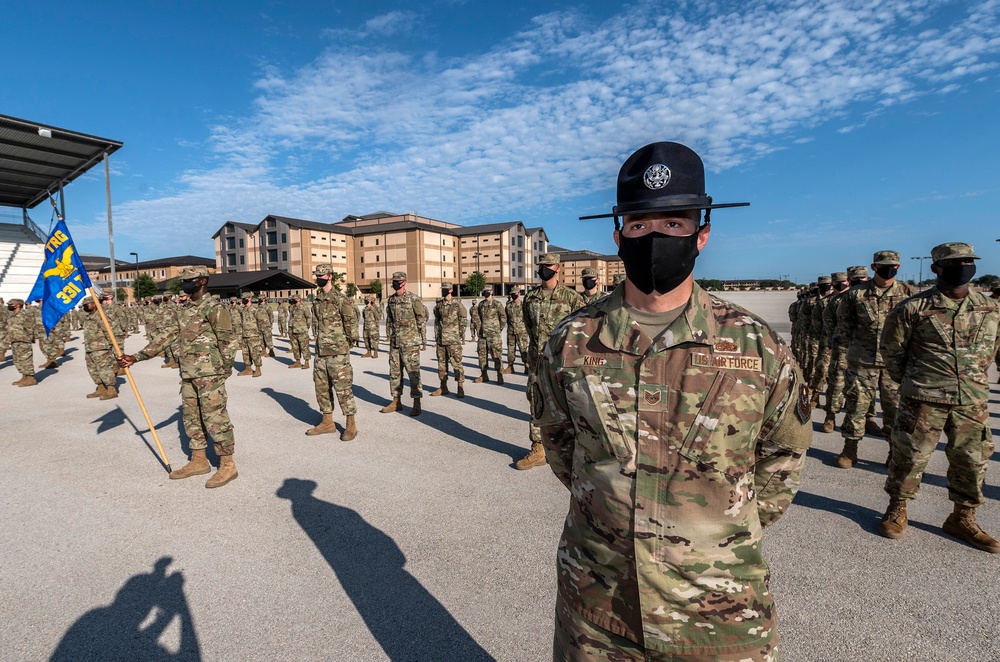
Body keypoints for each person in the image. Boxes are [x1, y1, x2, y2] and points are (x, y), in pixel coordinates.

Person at [535, 141, 811, 661]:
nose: (655, 237)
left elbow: (784, 456)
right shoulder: (571, 341)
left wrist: (713, 530)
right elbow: (560, 445)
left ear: (702, 233)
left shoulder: (757, 345)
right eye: (639, 225)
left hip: (720, 610)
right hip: (599, 605)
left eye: (674, 223)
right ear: (618, 235)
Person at [878, 243, 1000, 552]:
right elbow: (892, 354)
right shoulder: (911, 308)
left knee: (972, 461)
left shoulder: (991, 308)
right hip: (923, 398)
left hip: (972, 400)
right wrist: (917, 382)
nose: (963, 265)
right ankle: (898, 508)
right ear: (936, 268)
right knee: (910, 457)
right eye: (955, 262)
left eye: (968, 261)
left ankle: (963, 517)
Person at [118, 267, 240, 488]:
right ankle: (199, 460)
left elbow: (228, 341)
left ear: (202, 281)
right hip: (188, 374)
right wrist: (136, 357)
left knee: (216, 419)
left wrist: (224, 371)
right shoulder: (185, 309)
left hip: (210, 374)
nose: (184, 284)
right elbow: (166, 336)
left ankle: (228, 464)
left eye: (188, 280)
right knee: (191, 417)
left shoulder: (214, 307)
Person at [835, 250, 915, 469]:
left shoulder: (910, 293)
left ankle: (894, 452)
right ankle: (850, 450)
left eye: (893, 265)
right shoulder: (856, 294)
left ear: (898, 267)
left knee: (896, 410)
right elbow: (844, 326)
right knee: (856, 406)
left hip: (895, 366)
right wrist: (846, 354)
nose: (889, 268)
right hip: (862, 362)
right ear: (874, 267)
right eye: (883, 265)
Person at [517, 253, 584, 470]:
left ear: (558, 268)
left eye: (548, 266)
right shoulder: (531, 297)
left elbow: (581, 329)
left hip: (563, 361)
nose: (544, 269)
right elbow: (529, 327)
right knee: (536, 401)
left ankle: (573, 448)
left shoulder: (572, 297)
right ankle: (538, 447)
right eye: (541, 266)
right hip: (538, 360)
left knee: (570, 402)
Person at [305, 264, 359, 440]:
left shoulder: (340, 298)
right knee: (321, 387)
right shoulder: (317, 299)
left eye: (322, 275)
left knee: (343, 388)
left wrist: (344, 346)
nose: (319, 278)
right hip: (321, 352)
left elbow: (351, 323)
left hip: (338, 353)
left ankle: (351, 424)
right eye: (317, 275)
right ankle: (327, 422)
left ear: (330, 276)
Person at [820, 267, 869, 432]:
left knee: (866, 387)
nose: (859, 282)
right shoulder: (837, 301)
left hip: (867, 351)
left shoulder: (871, 298)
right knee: (837, 383)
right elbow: (828, 324)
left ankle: (868, 419)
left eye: (862, 279)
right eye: (856, 279)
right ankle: (830, 417)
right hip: (842, 348)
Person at [381, 271, 428, 416]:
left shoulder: (413, 299)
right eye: (394, 281)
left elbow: (422, 318)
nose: (395, 283)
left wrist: (421, 339)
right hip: (395, 342)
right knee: (395, 373)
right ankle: (396, 401)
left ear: (404, 282)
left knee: (413, 374)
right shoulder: (391, 300)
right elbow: (390, 319)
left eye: (398, 281)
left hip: (410, 343)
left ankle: (417, 403)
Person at [430, 282, 467, 398]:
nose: (444, 291)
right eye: (443, 289)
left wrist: (460, 334)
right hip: (441, 340)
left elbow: (463, 319)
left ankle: (460, 386)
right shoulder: (439, 305)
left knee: (456, 364)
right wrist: (436, 336)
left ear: (451, 290)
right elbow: (437, 321)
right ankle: (443, 386)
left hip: (453, 340)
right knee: (442, 365)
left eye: (446, 289)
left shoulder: (457, 304)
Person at [80, 296, 120, 400]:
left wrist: (112, 347)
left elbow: (109, 332)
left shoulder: (101, 316)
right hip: (90, 348)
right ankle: (101, 388)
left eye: (87, 304)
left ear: (94, 304)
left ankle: (111, 390)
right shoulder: (89, 316)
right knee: (92, 369)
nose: (85, 306)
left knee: (104, 369)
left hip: (100, 348)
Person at [6, 298, 44, 387]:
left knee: (26, 360)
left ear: (18, 305)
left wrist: (29, 338)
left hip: (23, 341)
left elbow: (30, 327)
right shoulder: (13, 315)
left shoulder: (25, 314)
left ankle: (31, 378)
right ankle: (24, 376)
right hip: (15, 340)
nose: (9, 306)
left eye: (11, 304)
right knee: (17, 360)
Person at [474, 289, 506, 384]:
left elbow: (503, 317)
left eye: (488, 291)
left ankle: (499, 375)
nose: (486, 293)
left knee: (496, 355)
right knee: (482, 356)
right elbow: (479, 317)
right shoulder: (481, 305)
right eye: (484, 291)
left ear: (492, 292)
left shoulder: (497, 304)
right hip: (483, 335)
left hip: (494, 335)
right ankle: (484, 375)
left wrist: (498, 329)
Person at [502, 287, 528, 374]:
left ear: (519, 293)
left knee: (523, 350)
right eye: (512, 294)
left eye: (515, 294)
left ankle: (527, 366)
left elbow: (528, 319)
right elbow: (506, 318)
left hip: (521, 332)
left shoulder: (524, 305)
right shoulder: (508, 305)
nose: (513, 295)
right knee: (510, 350)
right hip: (511, 331)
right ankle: (510, 367)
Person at [237, 297, 263, 377]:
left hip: (253, 335)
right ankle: (248, 369)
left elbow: (260, 322)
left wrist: (259, 334)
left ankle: (258, 369)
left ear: (250, 298)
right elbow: (242, 321)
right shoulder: (243, 310)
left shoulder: (255, 310)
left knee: (255, 353)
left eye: (245, 298)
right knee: (245, 353)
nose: (243, 300)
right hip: (245, 335)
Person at [287, 297, 312, 369]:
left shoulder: (304, 307)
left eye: (294, 298)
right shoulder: (292, 308)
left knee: (304, 347)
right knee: (295, 347)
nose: (293, 300)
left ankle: (306, 362)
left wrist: (306, 327)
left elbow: (308, 318)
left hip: (302, 331)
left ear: (299, 299)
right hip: (293, 330)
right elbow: (291, 318)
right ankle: (297, 362)